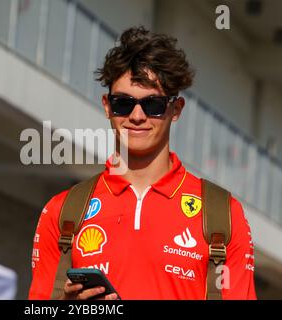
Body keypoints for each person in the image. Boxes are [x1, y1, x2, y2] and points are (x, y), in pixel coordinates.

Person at [28, 26, 256, 300]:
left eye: (153, 105)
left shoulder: (223, 215)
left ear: (176, 109)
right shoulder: (62, 212)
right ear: (107, 106)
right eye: (123, 103)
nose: (137, 116)